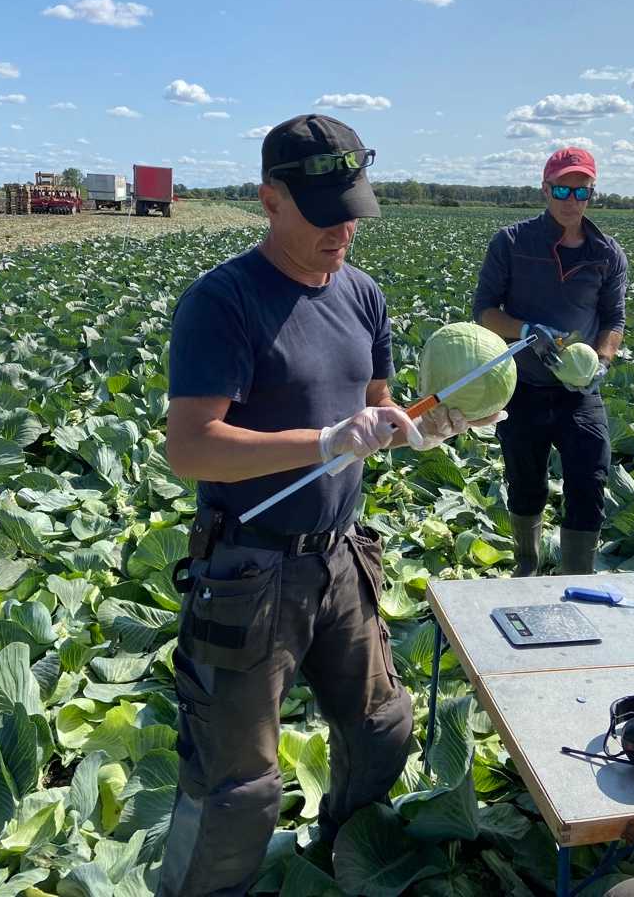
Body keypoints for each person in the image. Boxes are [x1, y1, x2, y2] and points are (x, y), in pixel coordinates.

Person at [158, 114, 500, 897]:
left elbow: (378, 409)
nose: (344, 228)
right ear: (269, 201)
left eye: (353, 207)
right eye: (323, 212)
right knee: (238, 788)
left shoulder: (363, 295)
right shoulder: (224, 301)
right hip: (247, 568)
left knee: (383, 730)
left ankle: (344, 854)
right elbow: (192, 447)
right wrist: (319, 442)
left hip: (342, 557)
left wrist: (431, 422)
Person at [472, 147, 628, 576]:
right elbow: (484, 309)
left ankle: (578, 574)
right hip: (521, 385)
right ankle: (527, 566)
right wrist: (525, 330)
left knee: (591, 475)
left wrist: (601, 359)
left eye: (581, 190)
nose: (570, 199)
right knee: (525, 482)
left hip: (579, 391)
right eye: (561, 188)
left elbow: (614, 319)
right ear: (544, 189)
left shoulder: (607, 253)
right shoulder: (512, 242)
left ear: (592, 194)